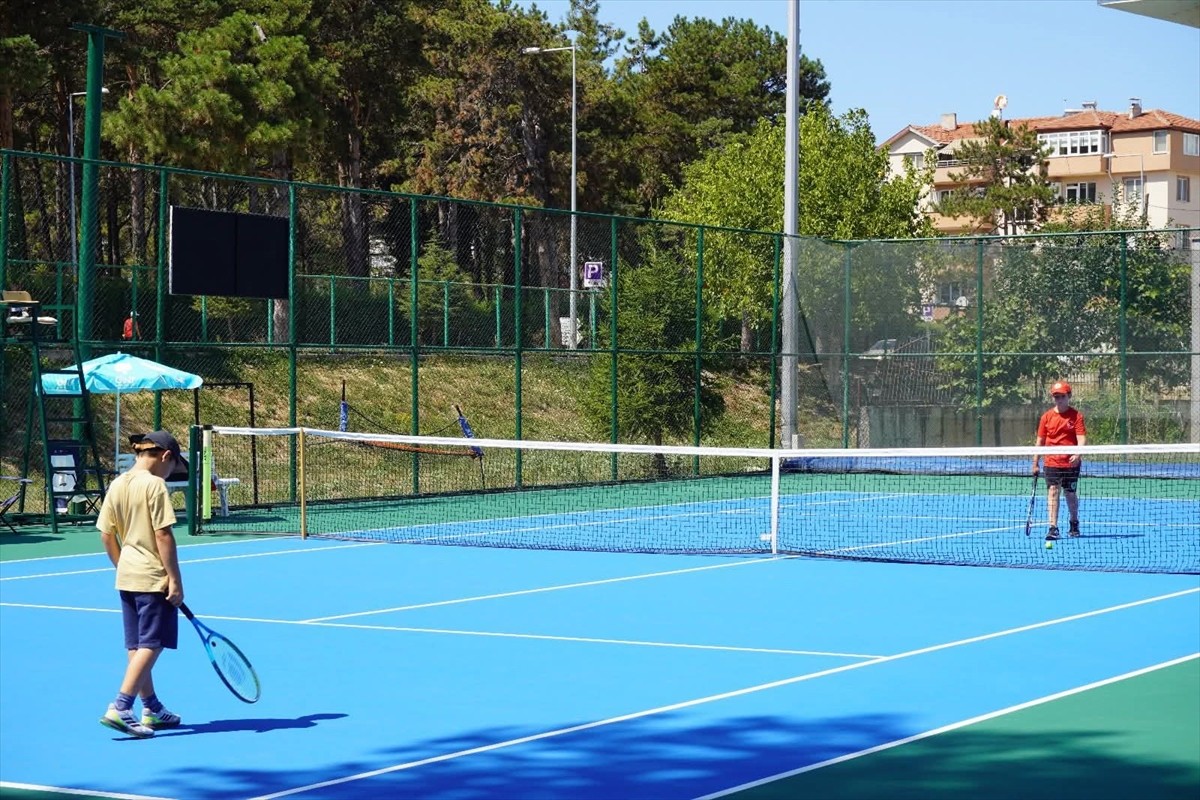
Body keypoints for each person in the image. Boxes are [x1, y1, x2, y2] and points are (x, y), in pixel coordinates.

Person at [97, 430, 185, 738]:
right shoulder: (155, 485)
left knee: (137, 645)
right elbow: (163, 535)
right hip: (151, 579)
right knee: (152, 644)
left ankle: (152, 708)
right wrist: (174, 579)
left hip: (127, 576)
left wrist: (123, 565)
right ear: (165, 457)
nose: (170, 474)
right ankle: (121, 706)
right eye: (173, 467)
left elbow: (106, 534)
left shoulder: (117, 484)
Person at [1031, 381, 1087, 542]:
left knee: (1070, 494)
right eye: (1056, 397)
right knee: (1053, 491)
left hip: (1071, 463)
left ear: (1068, 396)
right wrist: (1035, 463)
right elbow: (1039, 441)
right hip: (1051, 462)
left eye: (1062, 396)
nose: (1059, 400)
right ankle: (1053, 527)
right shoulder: (1046, 417)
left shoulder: (1076, 416)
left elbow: (1081, 438)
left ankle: (1074, 521)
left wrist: (1078, 454)